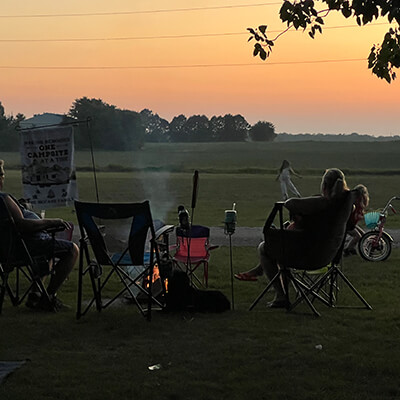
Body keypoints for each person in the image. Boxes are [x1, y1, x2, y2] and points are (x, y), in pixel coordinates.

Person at [235, 168, 351, 307]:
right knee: (283, 240)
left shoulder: (325, 203)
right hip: (328, 256)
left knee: (265, 248)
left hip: (308, 257)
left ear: (324, 186)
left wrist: (318, 200)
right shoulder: (344, 203)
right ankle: (261, 272)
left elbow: (290, 203)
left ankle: (281, 295)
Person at [0, 159, 79, 311]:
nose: (3, 178)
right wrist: (50, 222)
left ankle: (36, 292)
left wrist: (19, 206)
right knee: (72, 250)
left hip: (6, 250)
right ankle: (48, 297)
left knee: (48, 247)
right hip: (21, 248)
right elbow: (22, 225)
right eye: (1, 174)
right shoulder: (3, 199)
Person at [343, 184, 369, 256]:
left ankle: (352, 248)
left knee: (363, 235)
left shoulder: (358, 201)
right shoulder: (356, 202)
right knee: (357, 236)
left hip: (351, 223)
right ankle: (347, 249)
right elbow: (355, 214)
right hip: (348, 223)